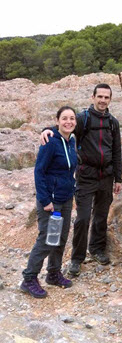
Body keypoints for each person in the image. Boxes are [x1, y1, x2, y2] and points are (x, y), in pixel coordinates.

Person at [41, 84, 122, 277]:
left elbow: (117, 151)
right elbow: (63, 127)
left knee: (101, 216)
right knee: (83, 218)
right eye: (100, 96)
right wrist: (46, 130)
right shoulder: (82, 118)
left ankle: (97, 249)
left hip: (107, 176)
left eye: (106, 97)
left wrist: (118, 178)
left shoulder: (113, 122)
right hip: (86, 176)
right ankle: (77, 258)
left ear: (110, 99)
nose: (103, 100)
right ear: (93, 97)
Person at [21, 106, 78, 298]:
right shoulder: (50, 142)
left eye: (71, 118)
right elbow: (39, 171)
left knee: (60, 238)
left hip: (66, 197)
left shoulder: (71, 141)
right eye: (64, 118)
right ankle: (29, 278)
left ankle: (53, 273)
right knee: (47, 238)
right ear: (57, 121)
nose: (68, 122)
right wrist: (45, 200)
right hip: (51, 200)